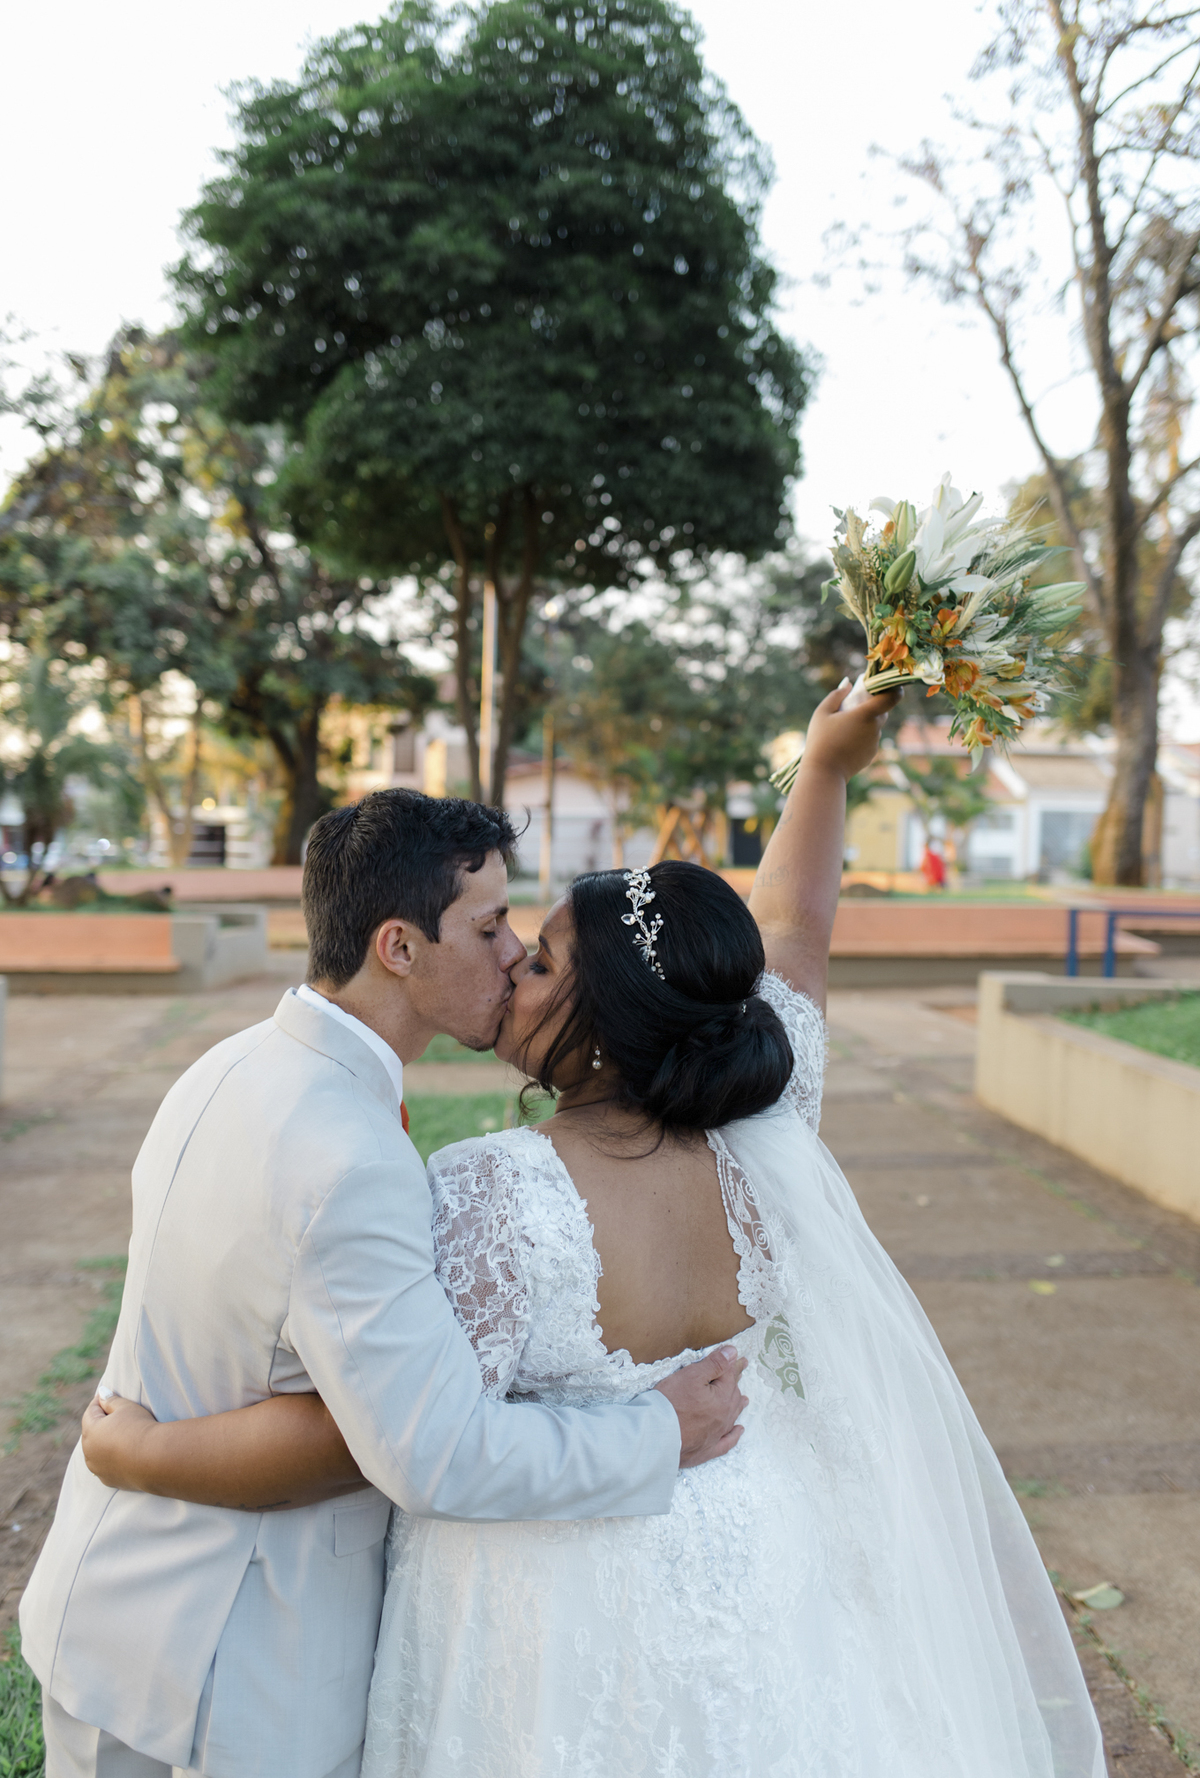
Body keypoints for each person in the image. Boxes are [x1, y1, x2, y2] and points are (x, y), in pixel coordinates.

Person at [80, 682, 1105, 1777]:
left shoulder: (487, 1193)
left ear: (607, 1022)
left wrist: (145, 1452)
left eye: (545, 960)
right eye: (509, 937)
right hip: (755, 1546)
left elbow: (392, 1439)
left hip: (538, 1608)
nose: (516, 962)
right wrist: (825, 769)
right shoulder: (770, 1126)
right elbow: (798, 928)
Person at [20, 790, 747, 1778]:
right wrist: (658, 1430)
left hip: (120, 1611)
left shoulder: (230, 1066)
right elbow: (432, 1454)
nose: (509, 955)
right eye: (489, 927)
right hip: (222, 1659)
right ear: (399, 948)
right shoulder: (349, 1155)